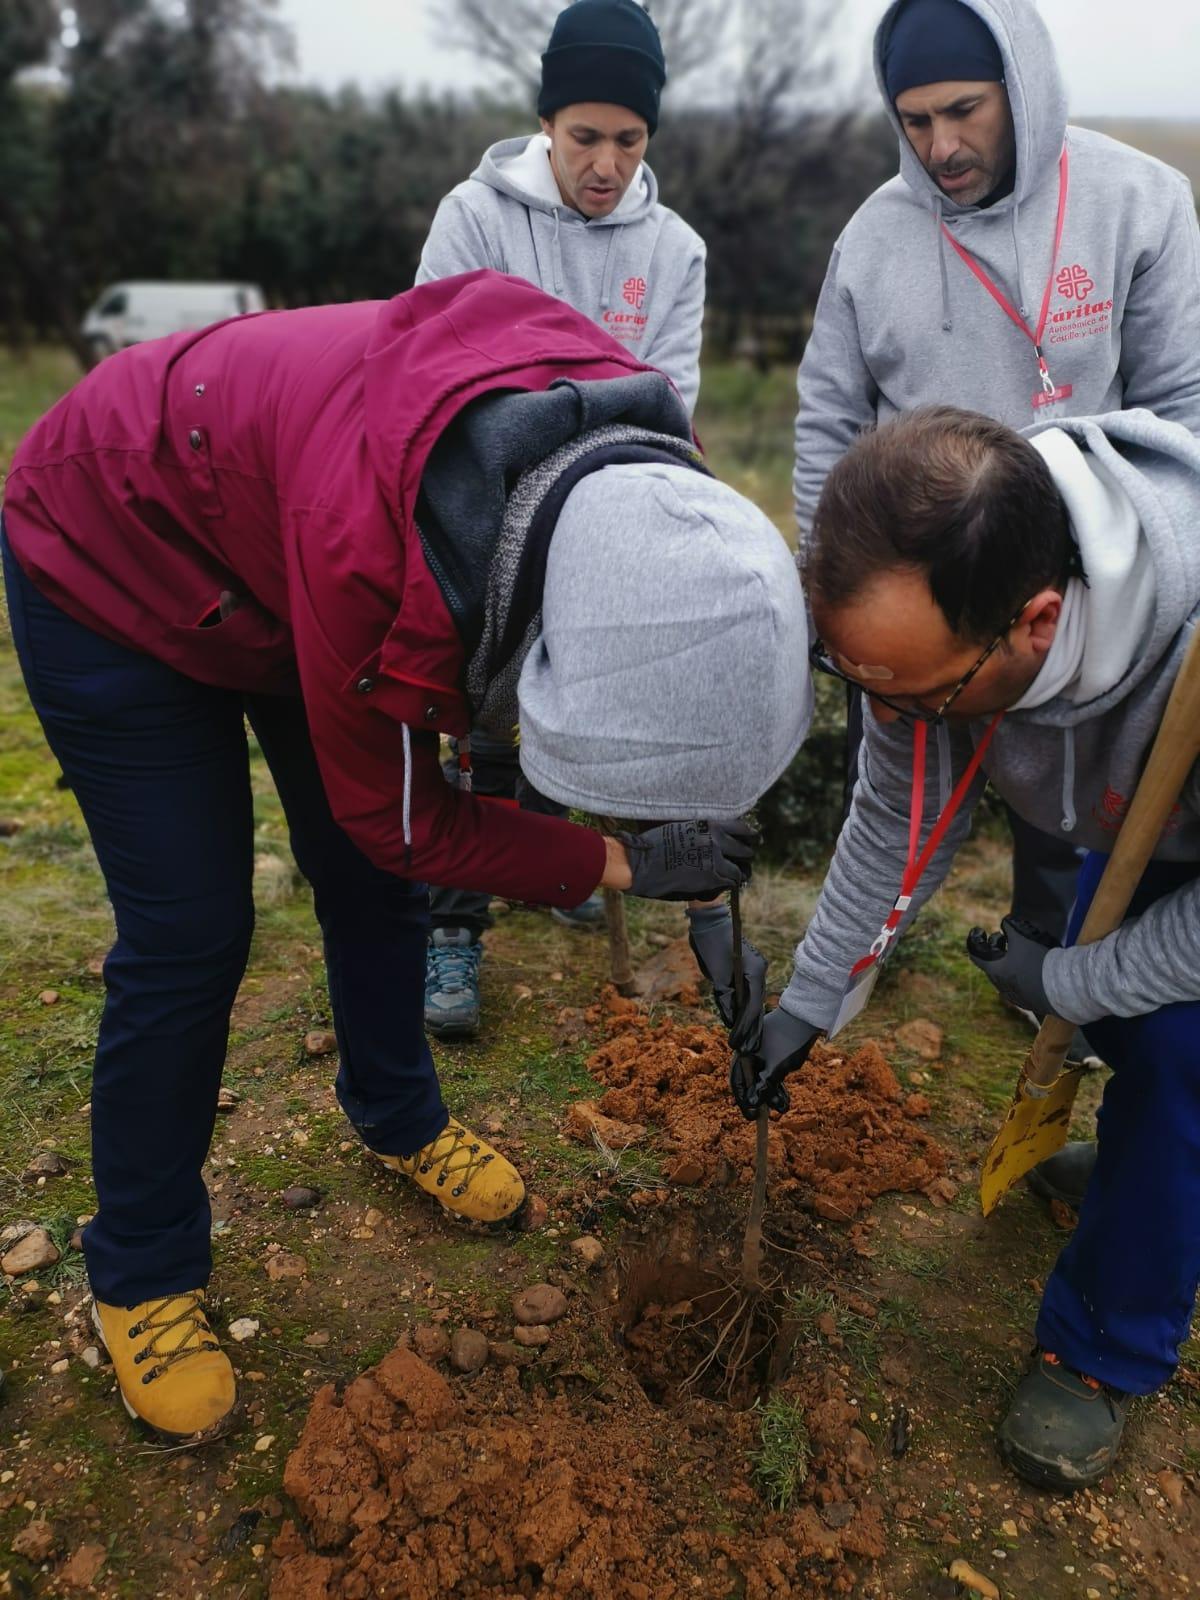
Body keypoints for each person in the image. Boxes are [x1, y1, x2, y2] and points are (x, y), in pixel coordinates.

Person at [1, 269, 810, 1443]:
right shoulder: (372, 551)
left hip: (276, 545)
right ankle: (140, 1269)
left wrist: (662, 824)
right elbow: (412, 817)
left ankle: (394, 1114)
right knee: (194, 930)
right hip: (115, 552)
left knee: (369, 887)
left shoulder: (643, 474)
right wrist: (625, 866)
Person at [725, 403, 1200, 1491]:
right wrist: (815, 998)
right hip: (1133, 818)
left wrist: (1073, 977)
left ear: (1038, 622)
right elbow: (897, 817)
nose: (898, 716)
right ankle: (1131, 1164)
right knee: (1124, 1012)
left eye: (922, 692)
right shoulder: (941, 619)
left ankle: (1103, 1346)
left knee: (1178, 1058)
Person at [791, 0, 1200, 1077]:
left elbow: (1183, 414)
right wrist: (828, 582)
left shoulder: (1139, 205)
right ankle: (1051, 989)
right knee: (907, 788)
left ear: (1023, 84)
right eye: (914, 120)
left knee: (1094, 849)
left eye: (963, 111)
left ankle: (1073, 998)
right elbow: (827, 418)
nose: (940, 147)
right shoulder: (874, 240)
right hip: (919, 598)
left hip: (1096, 609)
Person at [415, 0, 708, 1040]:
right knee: (475, 711)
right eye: (585, 136)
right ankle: (452, 926)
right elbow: (433, 377)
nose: (605, 163)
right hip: (480, 510)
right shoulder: (476, 219)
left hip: (605, 507)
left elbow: (668, 395)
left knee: (575, 696)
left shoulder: (672, 249)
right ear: (547, 124)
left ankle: (547, 860)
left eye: (629, 140)